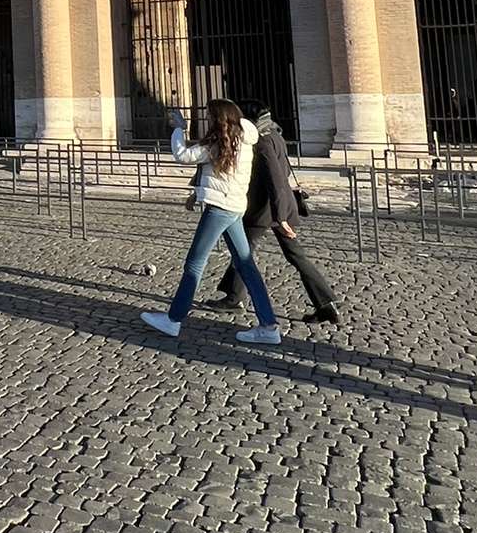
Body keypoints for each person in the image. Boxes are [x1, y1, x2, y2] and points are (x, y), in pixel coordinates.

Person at [140, 99, 281, 348]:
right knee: (246, 266)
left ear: (218, 119)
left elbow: (183, 155)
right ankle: (268, 325)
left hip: (220, 208)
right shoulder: (244, 139)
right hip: (235, 205)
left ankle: (173, 319)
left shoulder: (218, 143)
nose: (206, 119)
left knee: (195, 264)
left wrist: (179, 129)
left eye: (209, 116)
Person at [214, 105, 340, 327]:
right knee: (294, 255)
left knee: (243, 250)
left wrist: (280, 215)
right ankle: (325, 303)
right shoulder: (275, 134)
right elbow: (285, 172)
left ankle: (234, 297)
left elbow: (275, 179)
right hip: (276, 207)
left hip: (267, 209)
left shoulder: (261, 142)